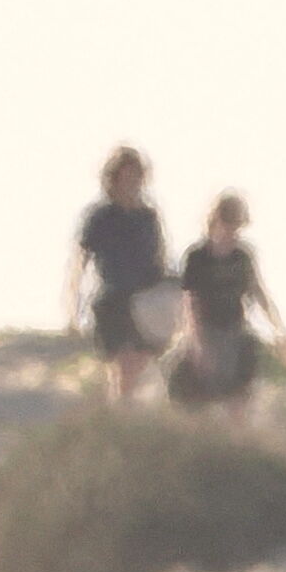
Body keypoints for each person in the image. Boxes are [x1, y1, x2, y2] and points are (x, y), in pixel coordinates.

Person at [167, 193, 286, 417]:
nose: (231, 231)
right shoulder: (197, 257)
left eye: (236, 224)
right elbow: (190, 302)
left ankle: (237, 433)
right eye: (228, 222)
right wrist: (198, 343)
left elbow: (258, 291)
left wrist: (278, 327)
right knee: (190, 392)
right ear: (215, 221)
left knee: (240, 393)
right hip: (206, 331)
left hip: (235, 330)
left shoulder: (242, 257)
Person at [65, 148, 172, 403]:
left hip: (146, 301)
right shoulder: (101, 217)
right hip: (113, 299)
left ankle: (126, 411)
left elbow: (160, 258)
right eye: (126, 177)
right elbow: (79, 263)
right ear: (113, 179)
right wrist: (72, 307)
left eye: (136, 176)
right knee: (123, 366)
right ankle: (120, 414)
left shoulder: (148, 217)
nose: (132, 183)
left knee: (140, 364)